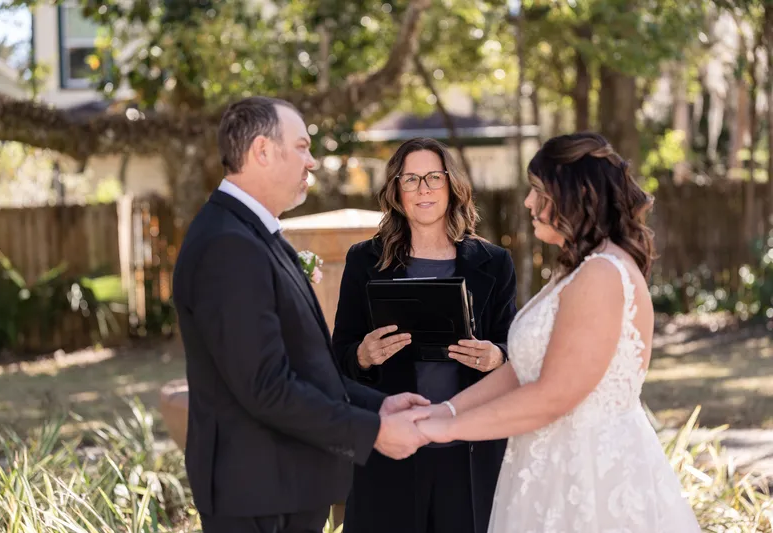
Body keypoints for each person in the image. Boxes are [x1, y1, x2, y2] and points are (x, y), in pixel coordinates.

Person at [416, 132, 701, 532]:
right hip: (546, 465)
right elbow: (523, 372)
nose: (529, 202)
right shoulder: (577, 270)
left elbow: (554, 395)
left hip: (589, 477)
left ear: (573, 194)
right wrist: (443, 410)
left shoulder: (602, 274)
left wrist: (444, 431)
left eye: (538, 191)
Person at [171, 96, 432, 533]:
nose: (311, 161)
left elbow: (307, 368)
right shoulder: (227, 245)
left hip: (282, 486)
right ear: (262, 151)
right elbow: (266, 386)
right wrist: (372, 433)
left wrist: (380, 404)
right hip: (257, 494)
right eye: (302, 146)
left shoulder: (253, 233)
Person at [332, 137, 518, 533]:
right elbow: (339, 356)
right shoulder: (364, 260)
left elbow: (514, 350)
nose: (423, 189)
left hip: (469, 453)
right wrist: (363, 355)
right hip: (394, 450)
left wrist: (495, 356)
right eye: (411, 179)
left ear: (451, 185)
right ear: (396, 191)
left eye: (434, 177)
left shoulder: (495, 263)